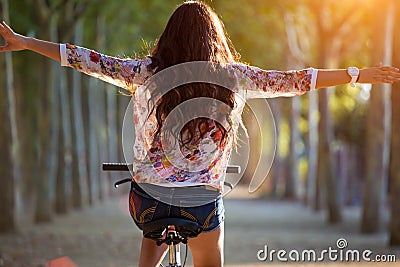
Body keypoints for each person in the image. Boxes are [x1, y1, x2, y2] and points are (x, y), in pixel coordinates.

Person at [1, 1, 399, 266]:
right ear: (216, 39)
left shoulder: (146, 72)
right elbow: (297, 80)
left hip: (148, 201)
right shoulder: (235, 77)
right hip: (203, 205)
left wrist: (23, 41)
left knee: (151, 229)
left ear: (169, 36)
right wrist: (356, 74)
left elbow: (83, 59)